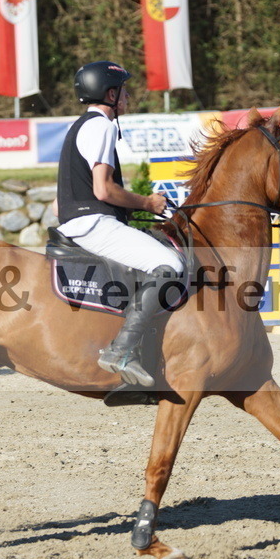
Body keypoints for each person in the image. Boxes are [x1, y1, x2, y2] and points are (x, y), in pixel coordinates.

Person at [54, 60, 184, 389]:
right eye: (123, 90)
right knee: (169, 262)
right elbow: (103, 189)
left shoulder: (80, 126)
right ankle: (122, 350)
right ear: (111, 95)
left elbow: (60, 201)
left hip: (80, 220)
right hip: (93, 223)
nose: (127, 95)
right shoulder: (102, 126)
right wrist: (148, 203)